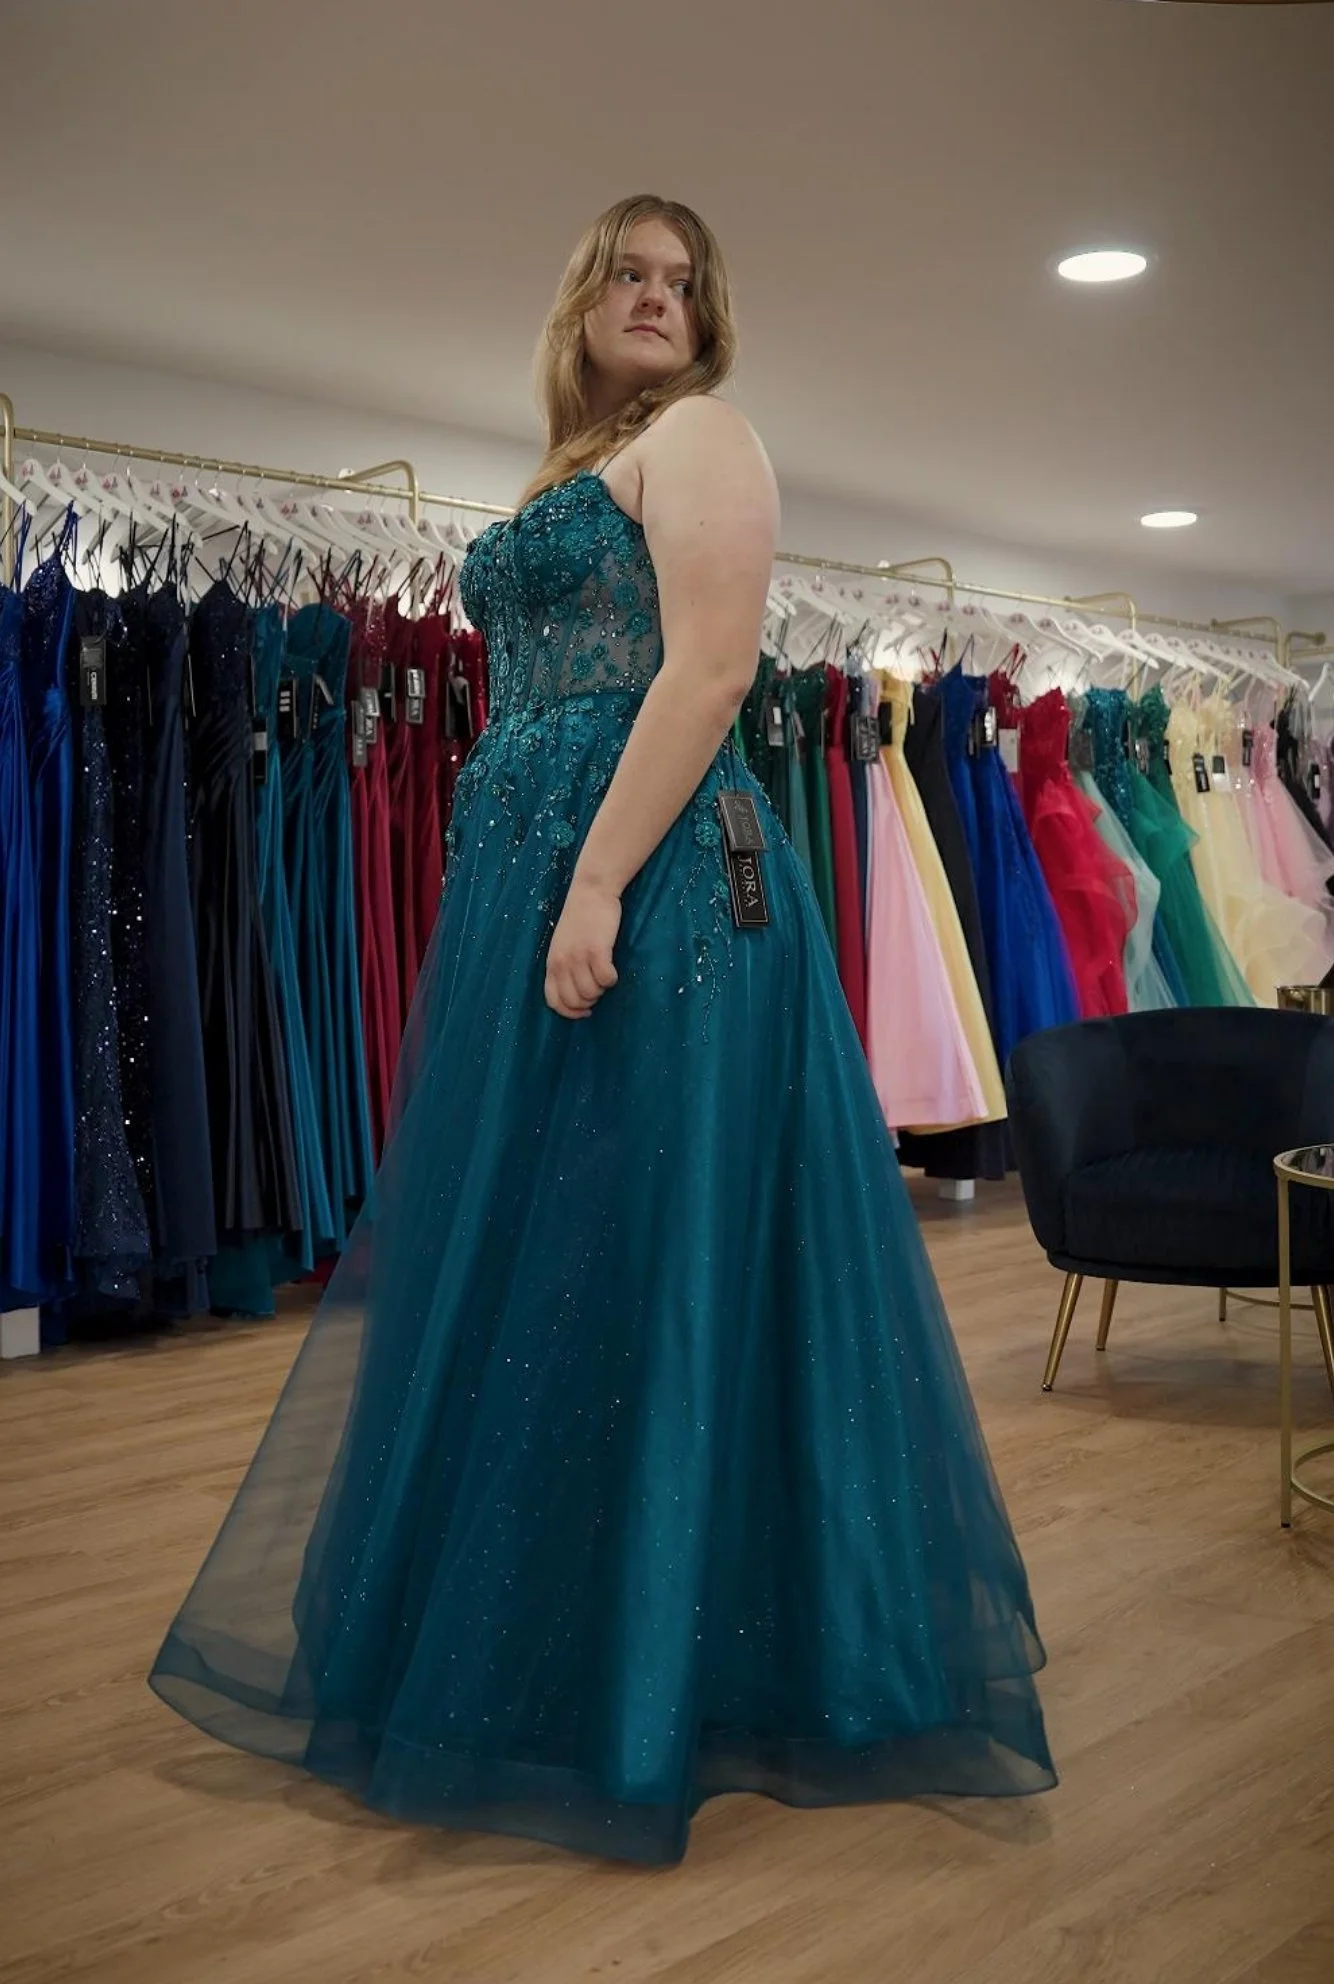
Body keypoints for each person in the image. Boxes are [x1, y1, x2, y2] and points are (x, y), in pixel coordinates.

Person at [150, 194, 1055, 1866]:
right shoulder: (572, 473)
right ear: (580, 306)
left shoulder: (709, 436)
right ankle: (540, 1647)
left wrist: (590, 889)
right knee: (555, 1259)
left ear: (707, 321)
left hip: (652, 891)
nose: (655, 298)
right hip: (549, 873)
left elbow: (708, 674)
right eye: (627, 275)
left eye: (681, 282)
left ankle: (659, 1679)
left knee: (647, 1257)